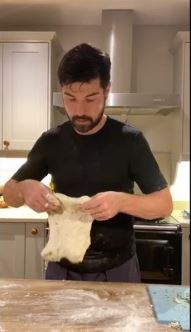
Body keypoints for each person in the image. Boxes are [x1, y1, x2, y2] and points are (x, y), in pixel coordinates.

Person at [3, 43, 173, 282]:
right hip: (61, 270)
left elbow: (164, 205)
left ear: (107, 90)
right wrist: (24, 188)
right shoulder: (51, 141)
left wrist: (120, 201)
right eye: (70, 98)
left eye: (91, 98)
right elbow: (9, 194)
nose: (79, 110)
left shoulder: (130, 141)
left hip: (118, 270)